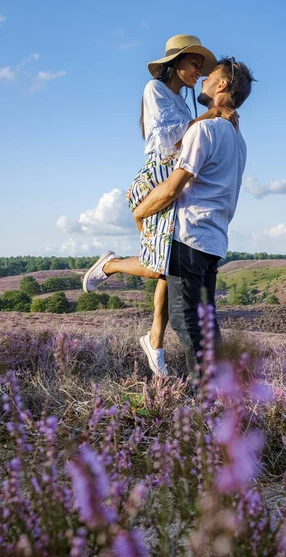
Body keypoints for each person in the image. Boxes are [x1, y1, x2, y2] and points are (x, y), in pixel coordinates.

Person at [82, 35, 238, 376]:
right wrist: (216, 113)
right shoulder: (155, 90)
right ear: (176, 63)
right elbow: (172, 140)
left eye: (201, 65)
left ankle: (154, 340)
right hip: (159, 177)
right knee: (160, 266)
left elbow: (189, 140)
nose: (199, 70)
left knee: (169, 262)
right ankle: (111, 266)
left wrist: (212, 117)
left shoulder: (185, 103)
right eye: (194, 63)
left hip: (175, 176)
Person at [131, 57, 255, 375]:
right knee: (206, 325)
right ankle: (215, 399)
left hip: (188, 237)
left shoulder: (205, 130)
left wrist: (140, 212)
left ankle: (206, 405)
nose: (203, 80)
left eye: (209, 76)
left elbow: (173, 188)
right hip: (214, 241)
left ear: (222, 85)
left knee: (189, 326)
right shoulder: (238, 139)